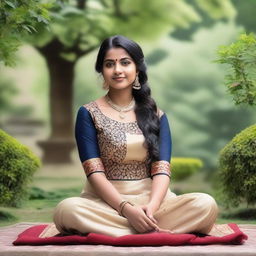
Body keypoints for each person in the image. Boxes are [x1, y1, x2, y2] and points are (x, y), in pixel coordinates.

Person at [53, 35, 218, 237]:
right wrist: (126, 209)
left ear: (137, 68)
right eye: (109, 64)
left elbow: (162, 169)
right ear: (102, 71)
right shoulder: (88, 113)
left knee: (205, 204)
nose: (117, 70)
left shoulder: (156, 114)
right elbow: (94, 172)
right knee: (67, 210)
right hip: (105, 205)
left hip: (155, 205)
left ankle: (138, 226)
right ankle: (146, 229)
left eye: (125, 62)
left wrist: (151, 207)